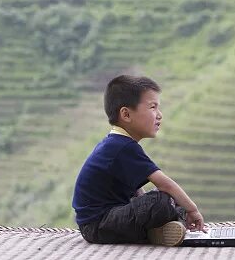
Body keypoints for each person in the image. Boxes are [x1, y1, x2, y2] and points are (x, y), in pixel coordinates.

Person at [72, 75, 205, 246]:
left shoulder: (118, 143)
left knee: (169, 202)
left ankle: (157, 231)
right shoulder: (122, 146)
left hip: (103, 222)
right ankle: (154, 231)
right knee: (163, 200)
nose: (159, 115)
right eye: (152, 107)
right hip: (98, 225)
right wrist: (192, 210)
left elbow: (137, 190)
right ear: (126, 114)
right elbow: (165, 184)